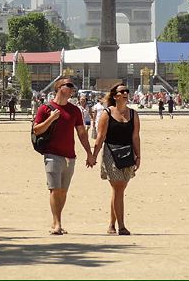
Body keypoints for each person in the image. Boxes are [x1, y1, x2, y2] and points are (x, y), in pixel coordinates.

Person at [32, 77, 94, 235]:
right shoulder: (45, 108)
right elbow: (36, 130)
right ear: (59, 87)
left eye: (73, 86)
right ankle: (57, 223)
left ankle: (56, 221)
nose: (72, 89)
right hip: (52, 154)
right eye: (69, 86)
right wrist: (52, 118)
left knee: (63, 191)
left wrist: (89, 153)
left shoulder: (74, 110)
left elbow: (81, 133)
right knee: (54, 189)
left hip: (70, 156)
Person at [92, 83, 141, 235]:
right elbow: (100, 137)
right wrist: (93, 155)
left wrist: (138, 155)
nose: (126, 93)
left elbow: (135, 136)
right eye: (122, 91)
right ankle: (122, 226)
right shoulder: (107, 113)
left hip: (127, 153)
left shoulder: (133, 114)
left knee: (119, 190)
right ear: (115, 96)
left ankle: (111, 224)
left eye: (127, 90)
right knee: (118, 187)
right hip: (111, 153)